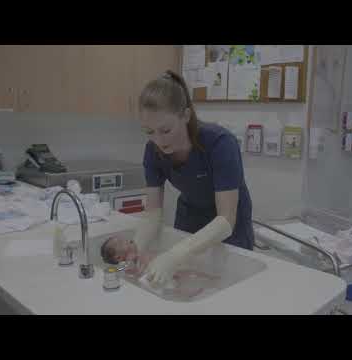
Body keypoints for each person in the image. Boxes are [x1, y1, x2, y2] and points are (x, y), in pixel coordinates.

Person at [101, 70, 254, 286]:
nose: (158, 141)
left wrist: (175, 254)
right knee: (186, 285)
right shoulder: (153, 151)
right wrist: (135, 249)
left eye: (165, 130)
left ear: (186, 116)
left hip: (228, 228)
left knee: (225, 288)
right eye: (149, 132)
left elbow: (226, 219)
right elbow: (153, 211)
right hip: (190, 217)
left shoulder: (220, 143)